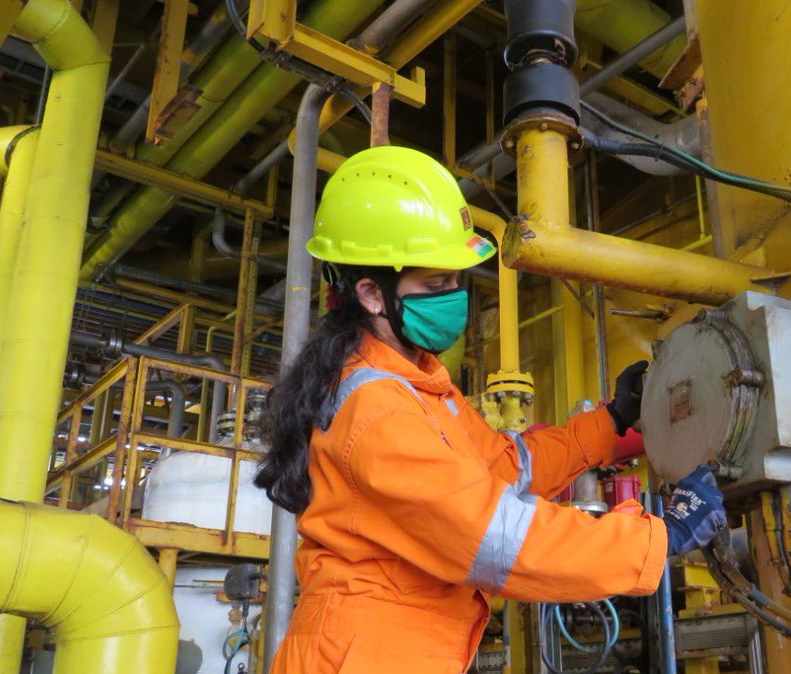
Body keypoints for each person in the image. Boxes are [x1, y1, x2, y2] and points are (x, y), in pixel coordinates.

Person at [255, 146, 726, 674]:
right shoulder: (377, 409)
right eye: (435, 286)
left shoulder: (418, 384)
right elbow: (491, 535)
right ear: (371, 293)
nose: (454, 296)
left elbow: (505, 467)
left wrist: (611, 421)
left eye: (456, 281)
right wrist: (656, 540)